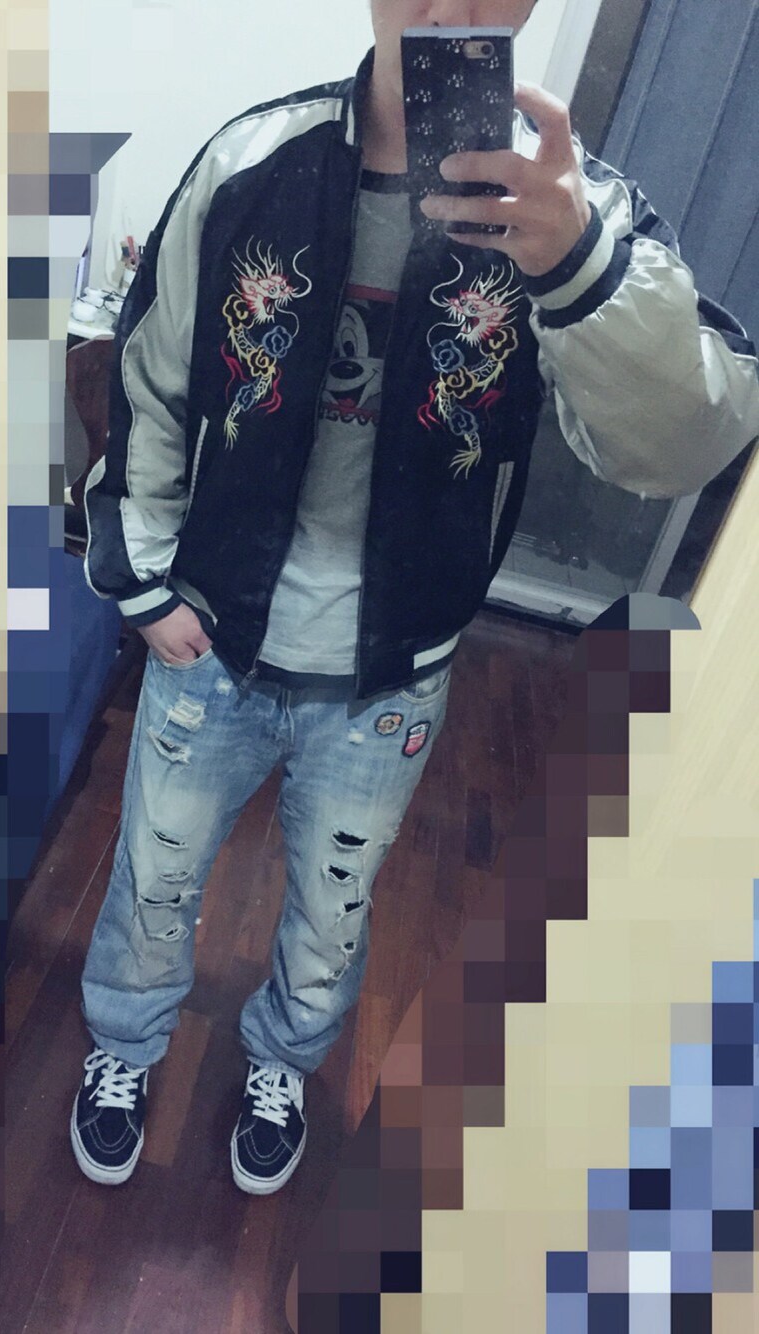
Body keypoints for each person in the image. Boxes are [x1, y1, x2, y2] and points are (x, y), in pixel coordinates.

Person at [69, 0, 759, 1195]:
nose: (451, 3)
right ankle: (123, 1045)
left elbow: (684, 442)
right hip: (212, 637)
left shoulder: (571, 210)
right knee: (153, 877)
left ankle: (284, 1058)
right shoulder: (250, 163)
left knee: (334, 908)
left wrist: (577, 270)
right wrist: (140, 582)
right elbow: (151, 379)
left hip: (389, 670)